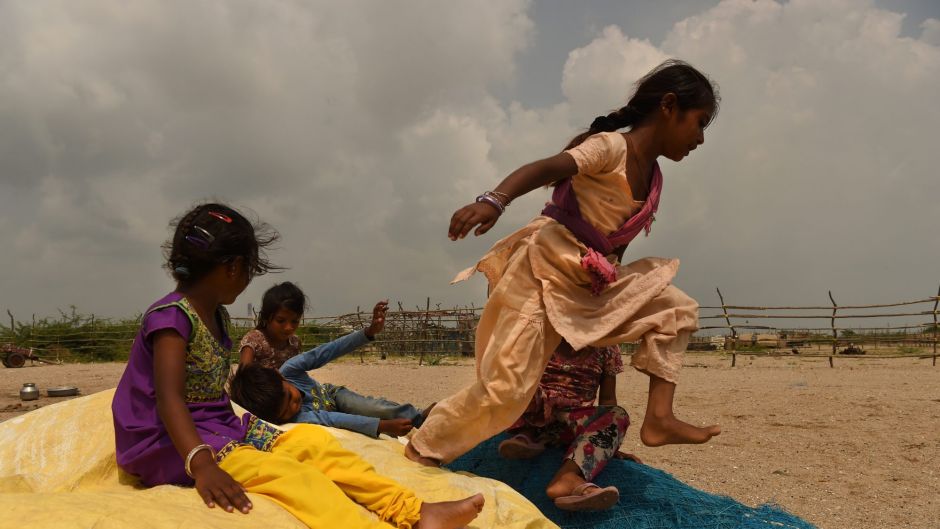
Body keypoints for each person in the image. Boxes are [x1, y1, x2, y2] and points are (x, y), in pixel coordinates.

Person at [407, 59, 722, 467]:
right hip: (542, 272)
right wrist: (493, 201)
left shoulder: (655, 177)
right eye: (699, 122)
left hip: (589, 280)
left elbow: (615, 241)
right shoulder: (611, 147)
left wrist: (609, 298)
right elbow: (545, 168)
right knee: (505, 391)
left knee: (676, 308)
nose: (699, 137)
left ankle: (659, 419)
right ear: (668, 106)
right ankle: (423, 451)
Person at [111, 203, 482, 529]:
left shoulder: (217, 316)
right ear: (233, 267)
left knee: (312, 444)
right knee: (291, 476)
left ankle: (414, 511)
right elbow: (169, 400)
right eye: (249, 272)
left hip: (215, 423)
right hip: (167, 441)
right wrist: (202, 463)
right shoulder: (171, 319)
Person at [231, 294, 430, 438]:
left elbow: (328, 350)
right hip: (260, 394)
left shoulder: (290, 368)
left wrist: (367, 332)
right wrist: (381, 426)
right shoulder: (299, 416)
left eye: (291, 397)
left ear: (281, 378)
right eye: (286, 412)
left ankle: (420, 417)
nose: (295, 406)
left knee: (369, 406)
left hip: (331, 395)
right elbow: (331, 419)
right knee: (359, 420)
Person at [498, 343, 640, 511]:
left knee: (618, 414)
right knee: (518, 383)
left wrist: (608, 444)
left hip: (572, 425)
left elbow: (607, 401)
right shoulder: (542, 334)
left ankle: (567, 476)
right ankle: (525, 436)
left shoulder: (607, 346)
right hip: (535, 413)